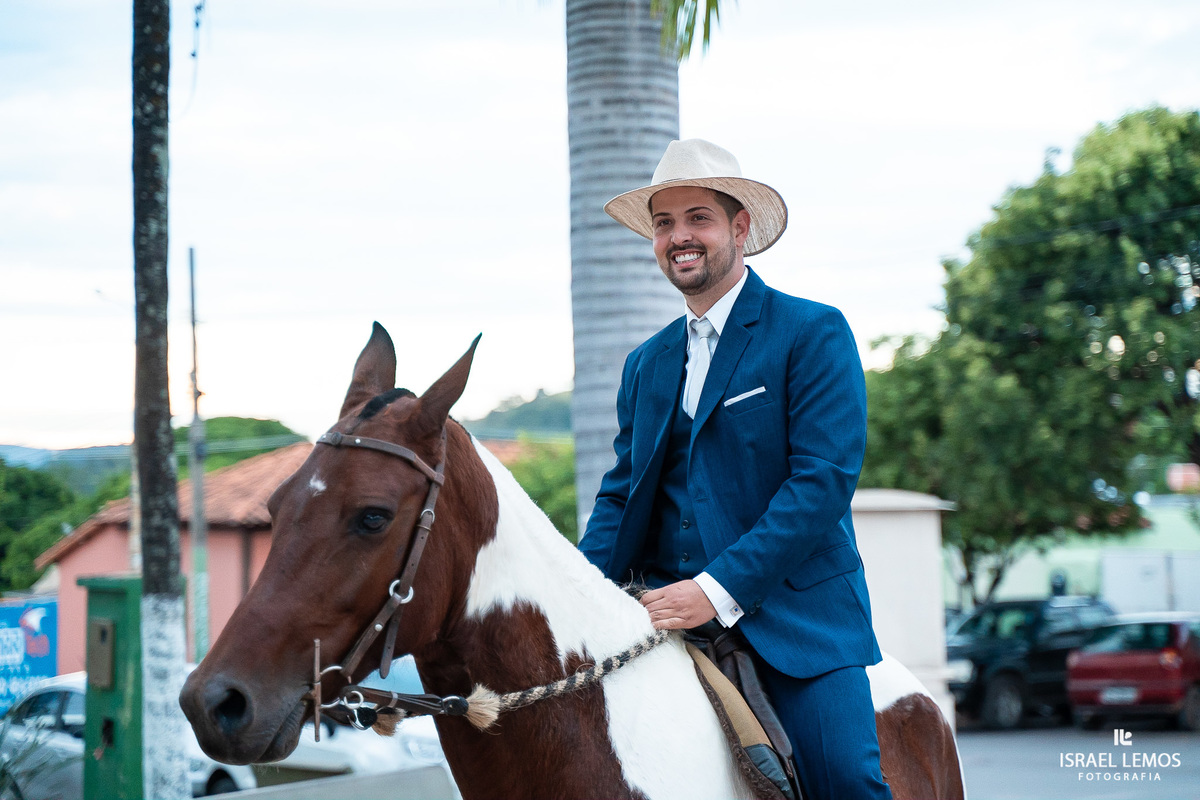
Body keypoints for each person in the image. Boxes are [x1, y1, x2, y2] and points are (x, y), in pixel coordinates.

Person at [579, 139, 892, 800]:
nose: (679, 237)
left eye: (698, 218)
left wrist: (715, 590)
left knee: (847, 781)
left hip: (796, 620)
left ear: (740, 227)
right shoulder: (645, 363)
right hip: (660, 612)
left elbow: (820, 486)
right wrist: (577, 594)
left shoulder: (811, 331)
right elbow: (621, 497)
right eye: (664, 223)